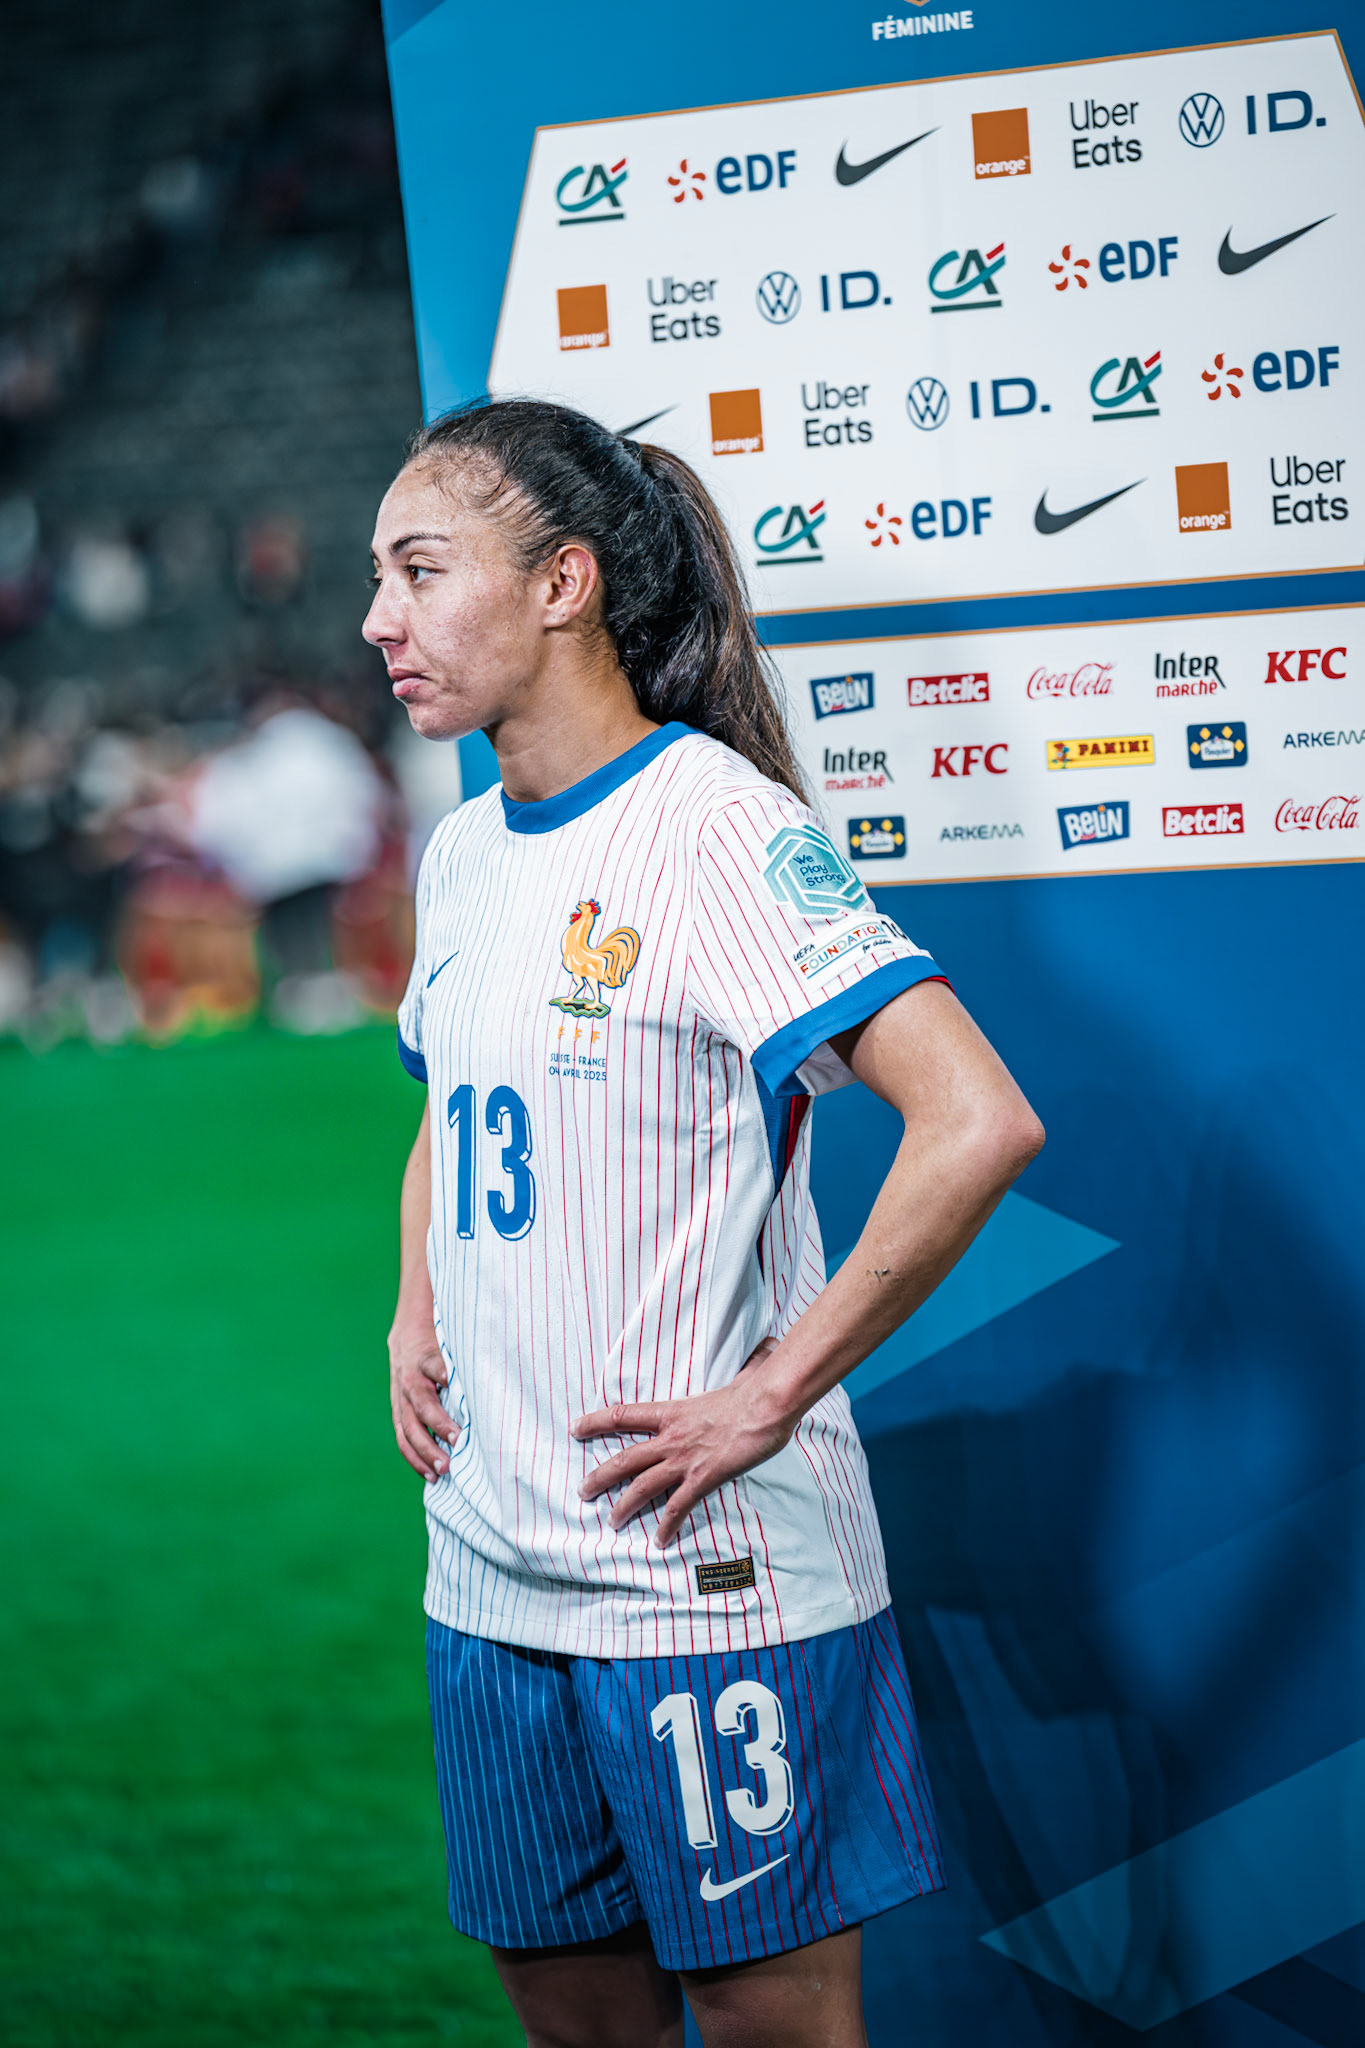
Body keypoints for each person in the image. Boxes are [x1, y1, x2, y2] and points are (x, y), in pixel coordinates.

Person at [364, 399, 1043, 2048]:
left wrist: (768, 1393)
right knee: (575, 2024)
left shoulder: (717, 829)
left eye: (418, 570)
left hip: (701, 1584)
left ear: (562, 584)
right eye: (376, 577)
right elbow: (447, 1110)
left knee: (768, 2032)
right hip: (489, 1582)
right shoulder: (460, 854)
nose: (377, 619)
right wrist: (412, 1308)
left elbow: (975, 1121)